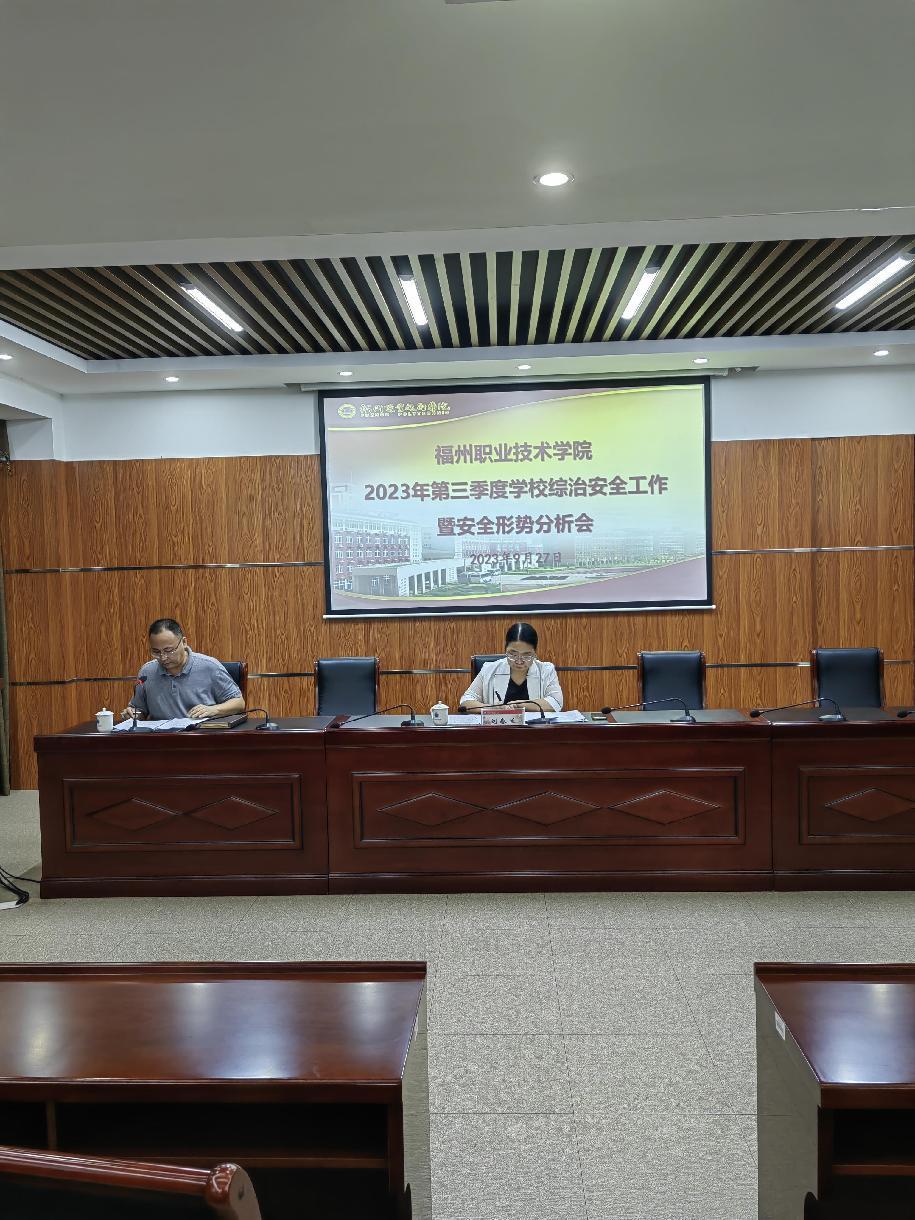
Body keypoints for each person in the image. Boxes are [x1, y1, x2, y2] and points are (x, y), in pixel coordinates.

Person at [121, 618, 246, 721]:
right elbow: (140, 711)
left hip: (202, 737)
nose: (163, 657)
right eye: (156, 652)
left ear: (184, 642)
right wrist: (133, 714)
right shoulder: (147, 672)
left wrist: (213, 710)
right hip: (161, 739)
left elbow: (239, 703)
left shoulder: (210, 667)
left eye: (169, 650)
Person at [459, 622, 563, 713]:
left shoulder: (546, 670)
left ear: (535, 653)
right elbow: (466, 701)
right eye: (513, 654)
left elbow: (556, 702)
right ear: (505, 650)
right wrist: (492, 708)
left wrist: (520, 704)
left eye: (526, 655)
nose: (519, 661)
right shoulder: (489, 669)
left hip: (534, 729)